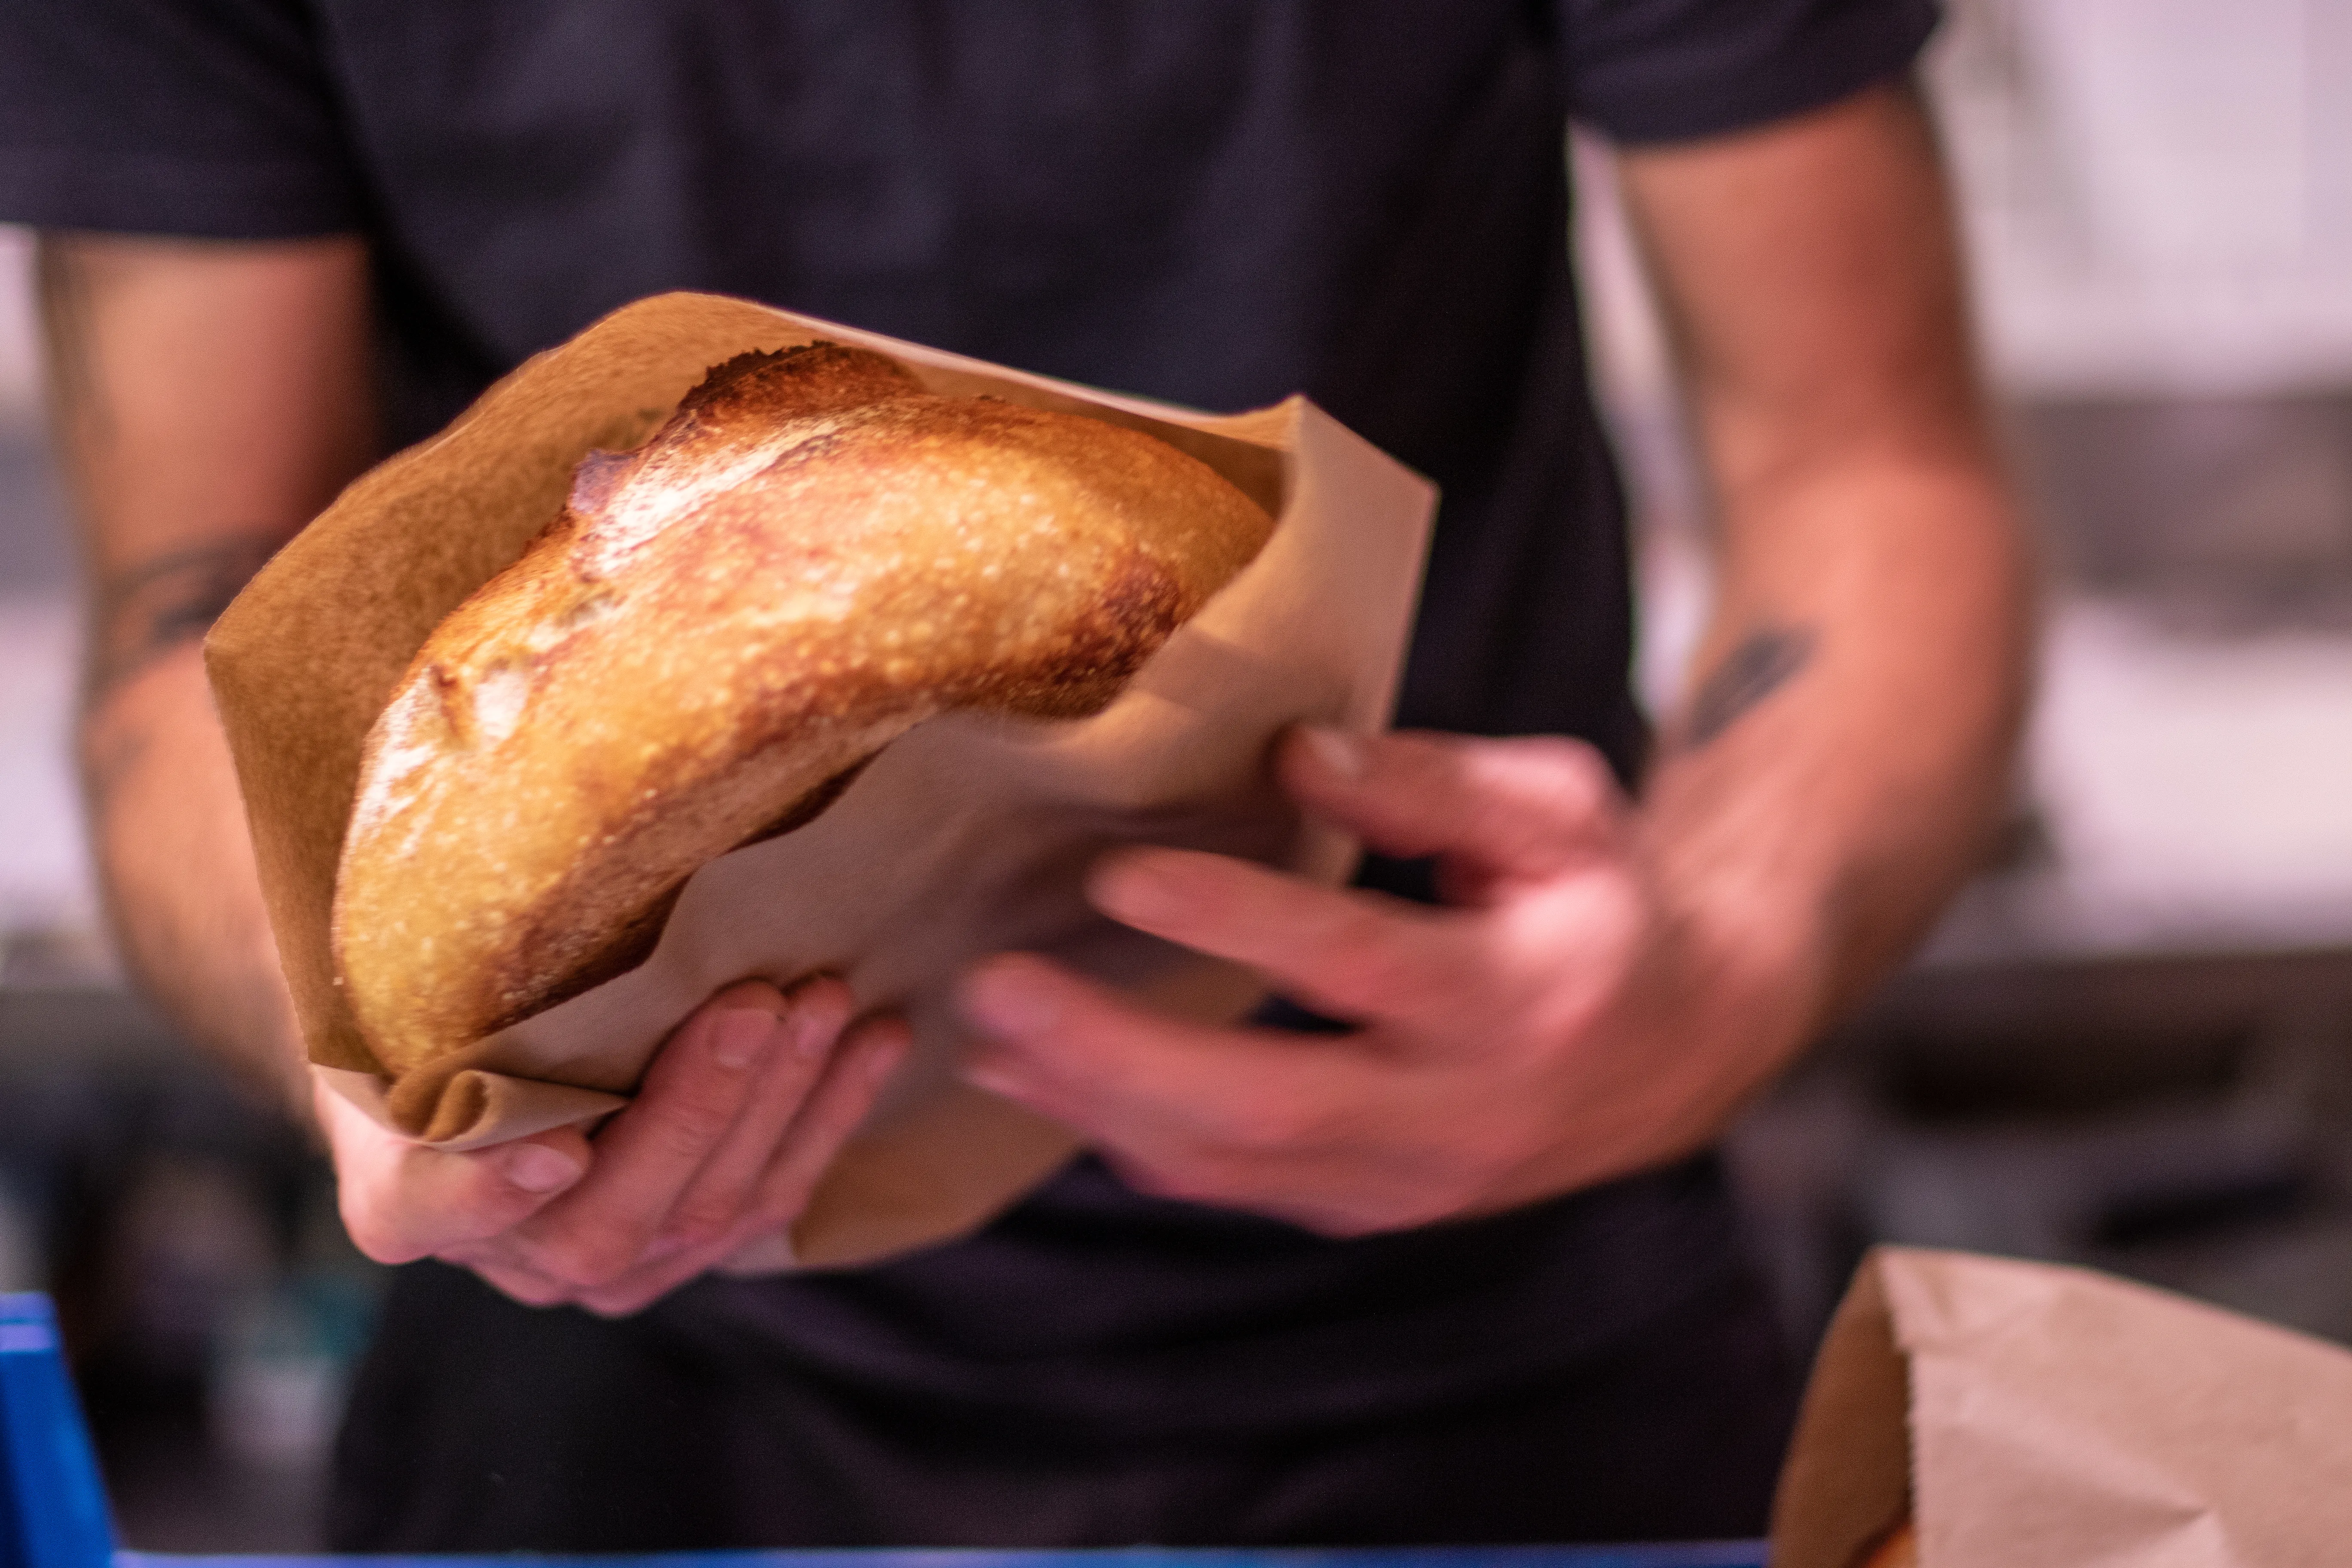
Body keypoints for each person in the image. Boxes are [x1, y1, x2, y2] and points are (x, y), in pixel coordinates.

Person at [1, 0, 2027, 1550]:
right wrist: (381, 1077)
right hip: (610, 1361)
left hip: (1500, 1255)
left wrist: (1723, 958)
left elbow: (1863, 461)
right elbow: (194, 618)